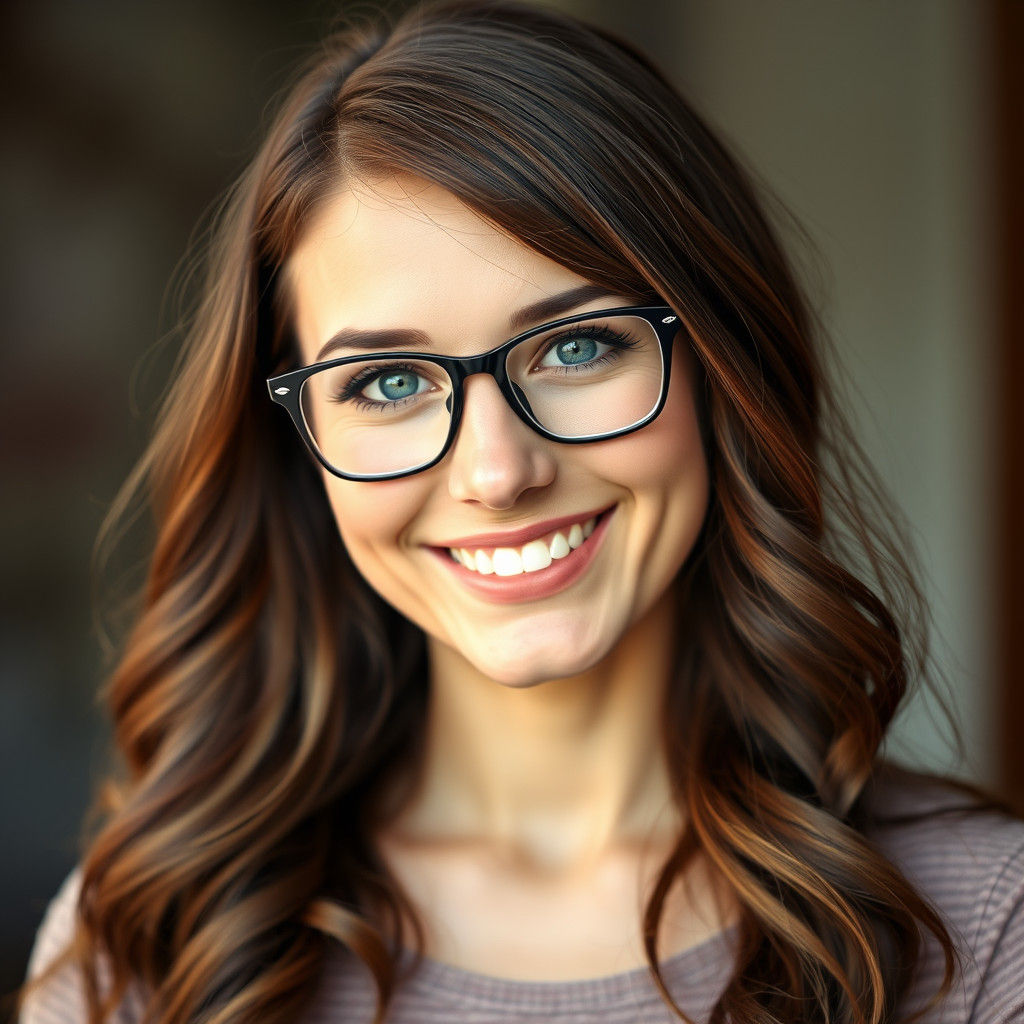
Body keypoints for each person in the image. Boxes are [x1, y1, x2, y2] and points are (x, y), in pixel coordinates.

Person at [16, 1, 1024, 1022]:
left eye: (577, 347)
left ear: (724, 362)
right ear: (300, 443)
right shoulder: (148, 943)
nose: (497, 472)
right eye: (388, 383)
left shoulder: (986, 931)